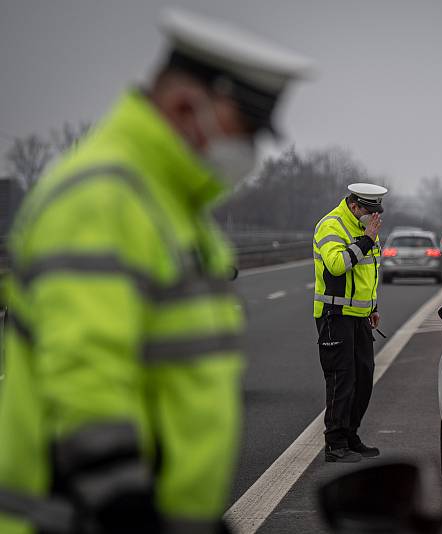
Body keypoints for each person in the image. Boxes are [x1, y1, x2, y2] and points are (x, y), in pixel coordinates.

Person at [0, 8, 310, 533]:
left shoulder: (167, 203)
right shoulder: (103, 199)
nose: (251, 150)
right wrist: (127, 508)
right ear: (188, 104)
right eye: (247, 128)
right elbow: (86, 370)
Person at [313, 183, 388, 462]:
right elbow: (337, 264)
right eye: (369, 210)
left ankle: (351, 435)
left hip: (359, 316)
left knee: (364, 379)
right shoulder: (332, 225)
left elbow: (370, 272)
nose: (374, 216)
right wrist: (367, 239)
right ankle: (335, 443)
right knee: (341, 380)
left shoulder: (364, 229)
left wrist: (373, 306)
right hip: (334, 315)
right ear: (355, 206)